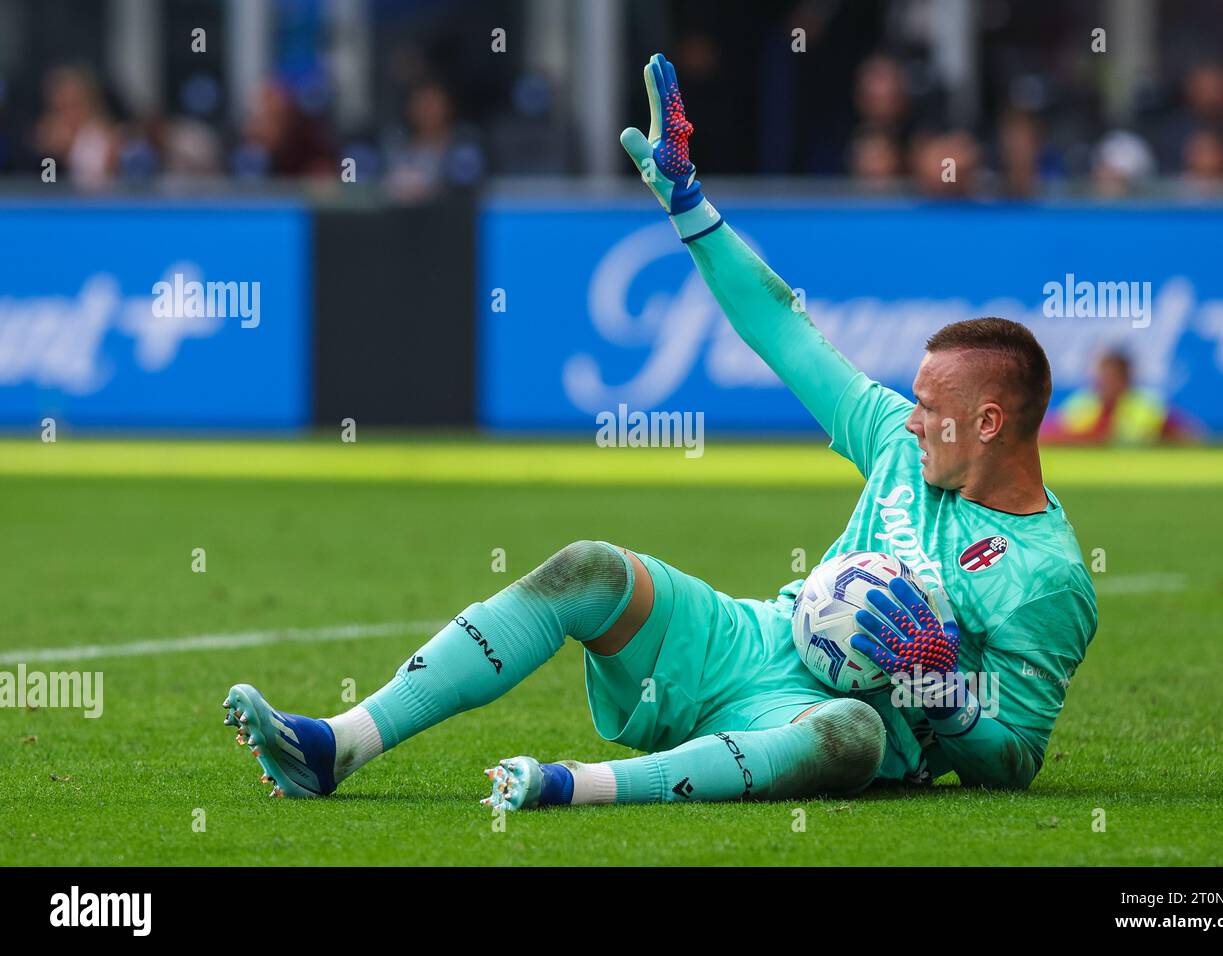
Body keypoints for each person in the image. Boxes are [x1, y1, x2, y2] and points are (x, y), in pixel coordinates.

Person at [223, 54, 1097, 809]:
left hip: (817, 720)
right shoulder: (900, 444)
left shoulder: (1048, 577)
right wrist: (690, 205)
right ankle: (338, 745)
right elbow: (785, 330)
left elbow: (1013, 762)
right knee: (589, 570)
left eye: (928, 405)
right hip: (752, 640)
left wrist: (940, 692)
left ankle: (573, 785)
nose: (906, 416)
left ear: (989, 423)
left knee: (852, 737)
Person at [1043, 350, 1174, 444]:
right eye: (1102, 377)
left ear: (1126, 379)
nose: (1105, 383)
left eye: (1112, 377)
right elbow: (1051, 433)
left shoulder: (1147, 405)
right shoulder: (1082, 403)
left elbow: (1182, 437)